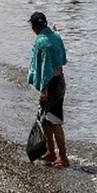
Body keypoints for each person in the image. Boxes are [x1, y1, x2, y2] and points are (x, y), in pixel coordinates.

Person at [27, 12, 68, 168]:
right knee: (45, 121)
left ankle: (63, 157)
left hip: (51, 84)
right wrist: (55, 30)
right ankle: (51, 153)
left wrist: (44, 90)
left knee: (54, 121)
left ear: (35, 26)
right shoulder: (54, 36)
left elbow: (45, 69)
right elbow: (61, 56)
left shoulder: (42, 41)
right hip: (59, 80)